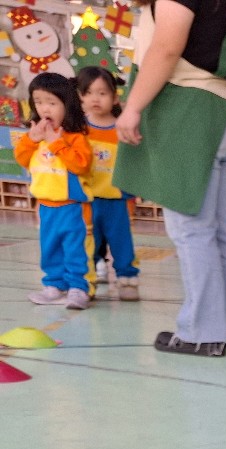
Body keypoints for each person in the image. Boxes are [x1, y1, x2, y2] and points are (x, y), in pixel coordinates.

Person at [116, 0, 226, 356]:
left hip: (191, 113)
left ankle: (202, 332)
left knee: (193, 231)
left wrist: (133, 107)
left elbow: (166, 47)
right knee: (225, 232)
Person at [16, 72, 93, 310]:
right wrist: (31, 139)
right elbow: (22, 159)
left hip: (71, 206)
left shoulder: (75, 137)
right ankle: (53, 285)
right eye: (38, 102)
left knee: (74, 248)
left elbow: (81, 164)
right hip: (45, 206)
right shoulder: (35, 136)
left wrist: (56, 142)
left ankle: (78, 288)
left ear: (66, 105)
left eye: (51, 102)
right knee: (49, 247)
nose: (44, 108)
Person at [77, 67, 139, 301]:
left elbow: (133, 162)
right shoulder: (79, 130)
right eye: (89, 93)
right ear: (81, 96)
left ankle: (127, 279)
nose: (95, 98)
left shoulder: (122, 128)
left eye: (102, 93)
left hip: (116, 199)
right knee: (88, 241)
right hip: (87, 199)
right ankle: (88, 280)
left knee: (122, 242)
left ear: (114, 97)